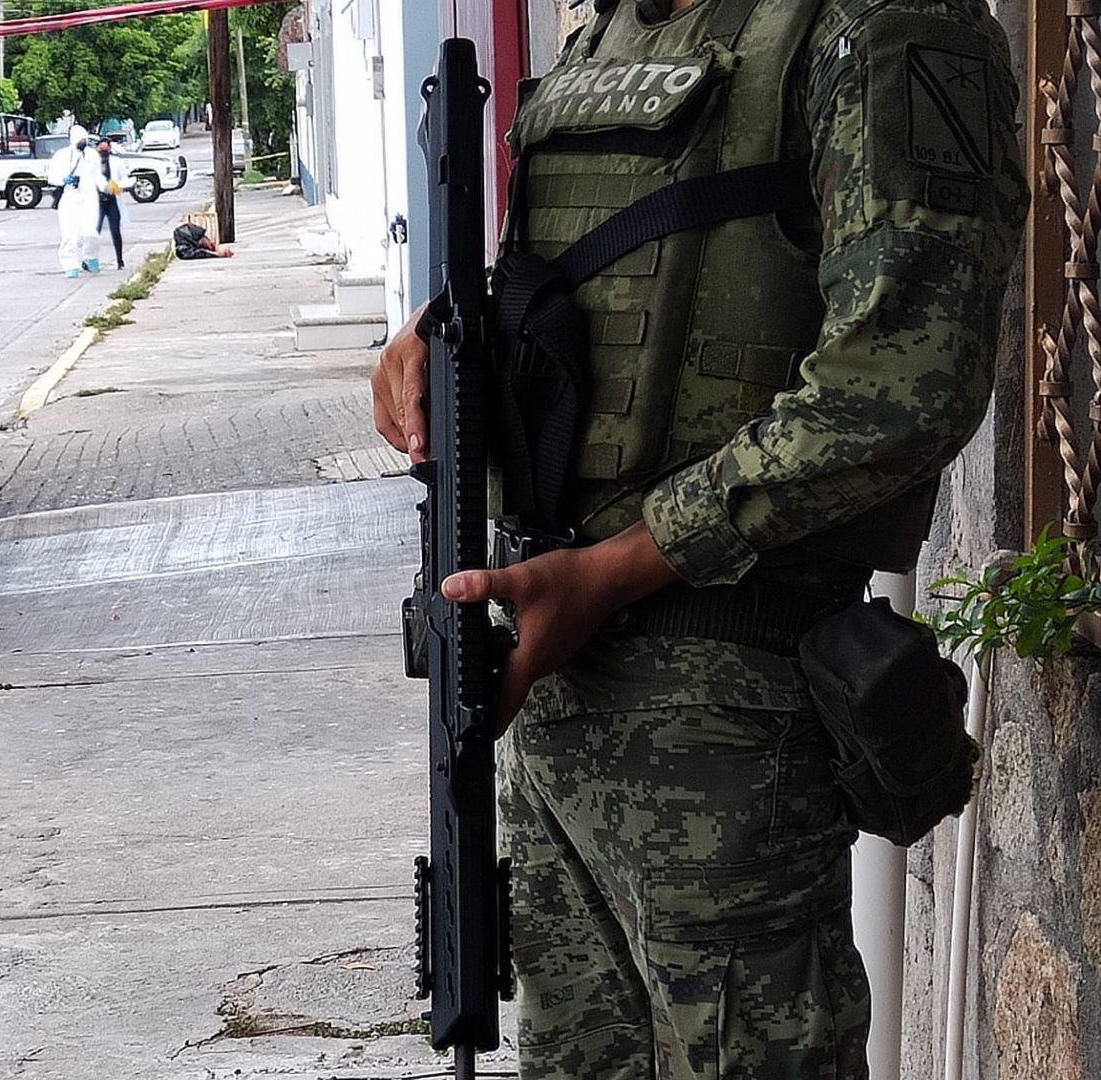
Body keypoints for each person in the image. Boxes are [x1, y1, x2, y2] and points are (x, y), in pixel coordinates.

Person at [369, 0, 1025, 1075]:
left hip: (724, 719)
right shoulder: (610, 35)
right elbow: (585, 294)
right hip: (554, 700)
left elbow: (902, 384)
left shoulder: (882, 24)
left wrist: (619, 568)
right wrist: (437, 345)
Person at [45, 125, 102, 278]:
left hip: (89, 197)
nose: (83, 142)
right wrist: (64, 179)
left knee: (91, 233)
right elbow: (52, 177)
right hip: (70, 197)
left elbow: (98, 177)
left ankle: (90, 257)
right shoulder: (62, 155)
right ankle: (70, 265)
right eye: (80, 140)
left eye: (85, 139)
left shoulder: (92, 155)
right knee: (69, 235)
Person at [93, 135, 133, 270]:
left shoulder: (117, 162)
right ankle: (91, 259)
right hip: (97, 200)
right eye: (101, 147)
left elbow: (125, 179)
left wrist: (117, 185)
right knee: (94, 232)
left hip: (112, 200)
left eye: (106, 147)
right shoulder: (92, 163)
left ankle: (119, 259)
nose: (104, 149)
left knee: (115, 231)